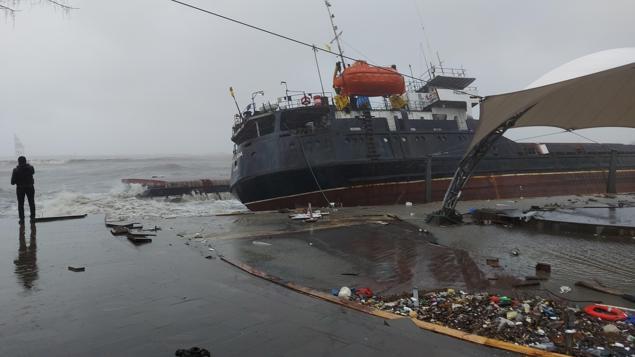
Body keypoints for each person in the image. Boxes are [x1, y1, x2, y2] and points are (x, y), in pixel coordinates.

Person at [10, 156, 36, 224]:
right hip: (30, 187)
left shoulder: (15, 170)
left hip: (20, 189)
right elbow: (33, 172)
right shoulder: (31, 168)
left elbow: (12, 182)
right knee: (31, 203)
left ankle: (22, 220)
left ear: (18, 162)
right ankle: (32, 218)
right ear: (25, 161)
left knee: (21, 204)